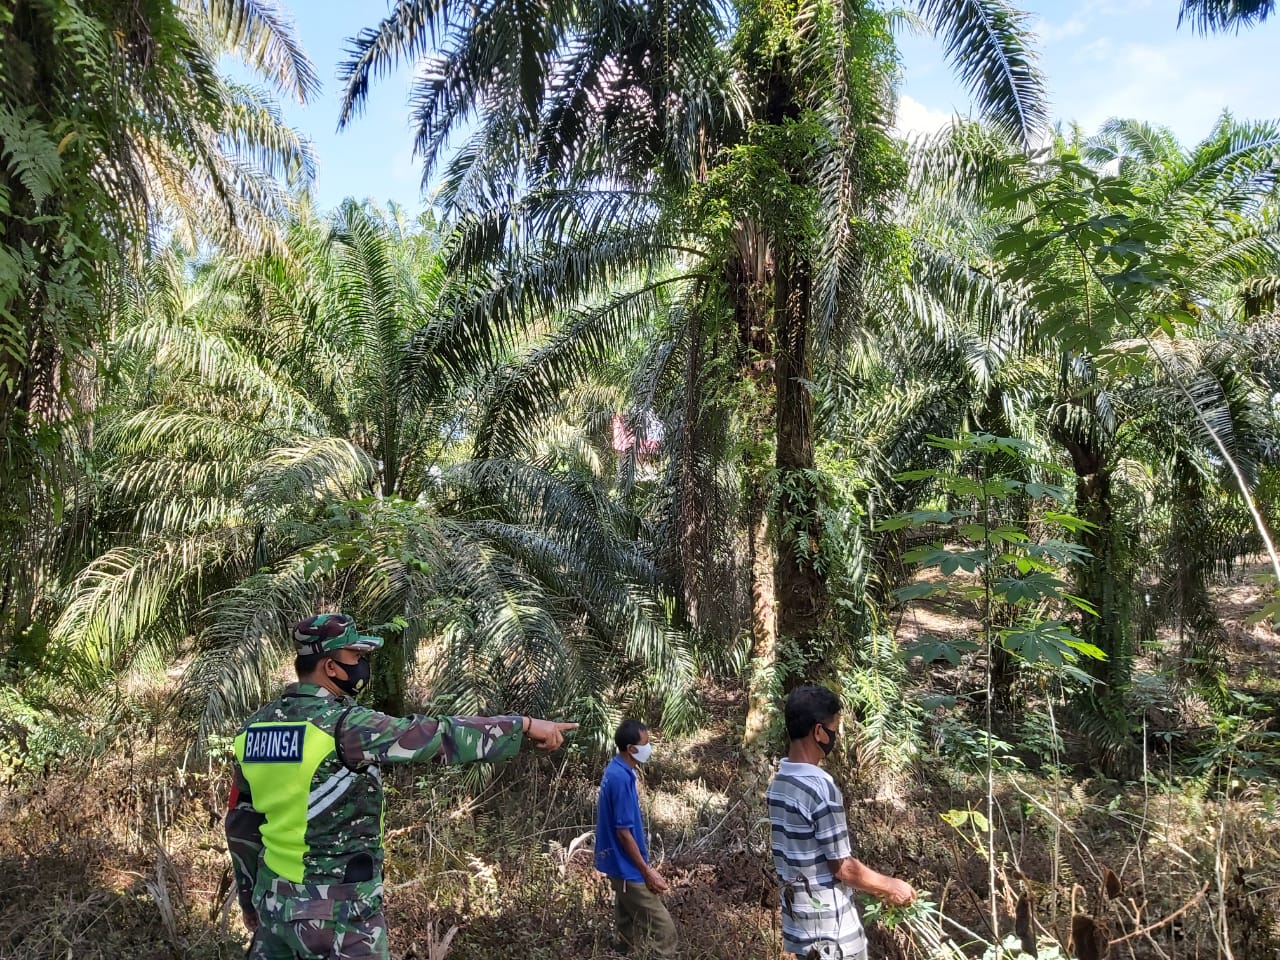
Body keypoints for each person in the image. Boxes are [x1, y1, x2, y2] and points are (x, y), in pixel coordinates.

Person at [224, 613, 578, 960]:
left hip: (273, 905)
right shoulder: (344, 727)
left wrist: (248, 897)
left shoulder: (254, 729)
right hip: (336, 915)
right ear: (330, 667)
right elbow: (434, 736)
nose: (363, 665)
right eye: (356, 656)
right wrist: (524, 725)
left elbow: (241, 824)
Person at [767, 686, 916, 960]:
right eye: (834, 727)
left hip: (799, 928)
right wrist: (890, 886)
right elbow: (843, 868)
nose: (836, 735)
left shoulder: (780, 782)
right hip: (832, 935)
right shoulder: (820, 787)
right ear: (819, 731)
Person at [594, 719, 678, 958]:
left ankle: (619, 954)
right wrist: (646, 871)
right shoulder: (620, 779)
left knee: (626, 929)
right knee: (664, 931)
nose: (649, 747)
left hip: (619, 867)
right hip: (628, 869)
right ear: (631, 749)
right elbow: (623, 832)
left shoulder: (618, 770)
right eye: (646, 743)